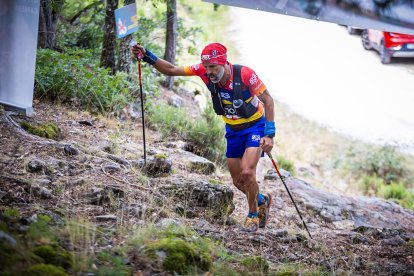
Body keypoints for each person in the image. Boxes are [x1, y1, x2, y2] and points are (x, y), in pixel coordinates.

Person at [131, 42, 276, 232]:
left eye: (213, 67)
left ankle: (252, 216)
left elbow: (268, 100)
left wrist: (269, 134)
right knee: (239, 181)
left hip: (255, 126)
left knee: (248, 173)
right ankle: (261, 200)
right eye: (206, 67)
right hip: (232, 130)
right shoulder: (202, 71)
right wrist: (147, 55)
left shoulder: (245, 74)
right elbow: (172, 69)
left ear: (224, 63)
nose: (209, 72)